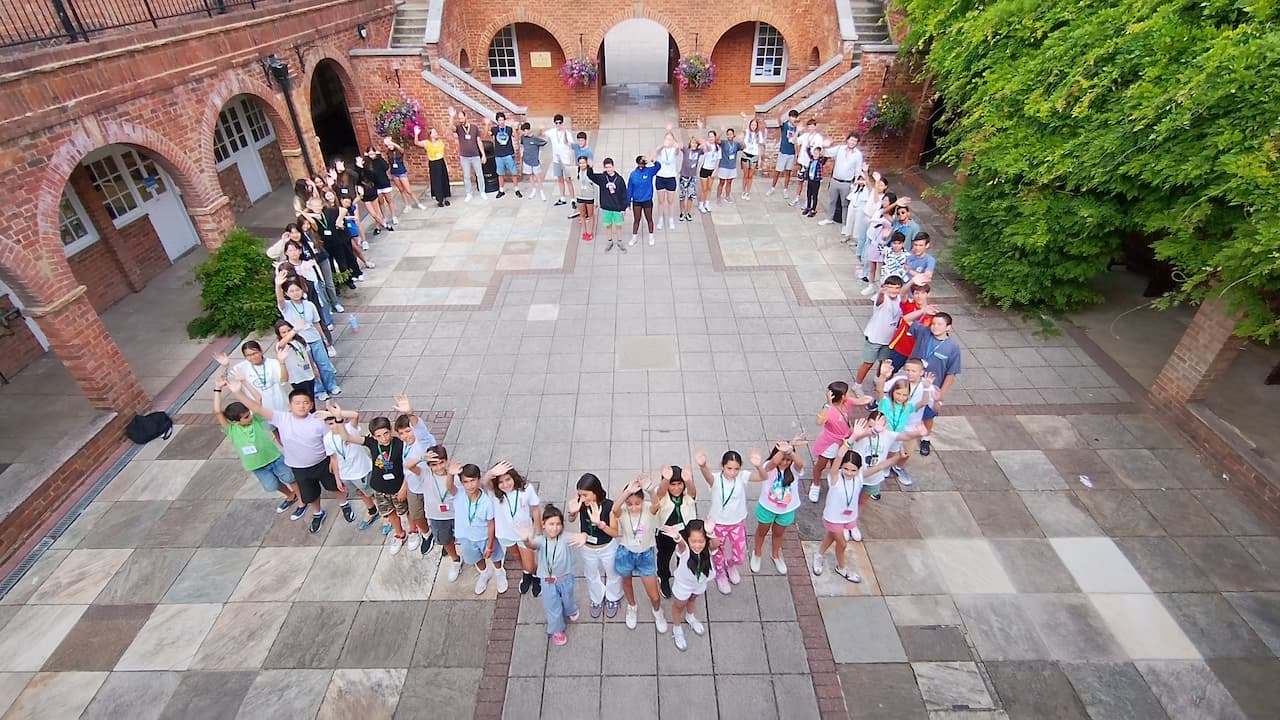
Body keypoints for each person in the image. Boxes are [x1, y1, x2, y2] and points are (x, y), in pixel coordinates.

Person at [226, 378, 338, 533]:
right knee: (310, 494)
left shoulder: (318, 421)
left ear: (311, 405)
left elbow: (333, 439)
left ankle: (344, 504)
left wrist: (333, 458)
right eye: (297, 403)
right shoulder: (281, 418)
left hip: (321, 462)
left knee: (335, 486)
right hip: (299, 467)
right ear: (289, 406)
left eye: (305, 403)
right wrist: (238, 393)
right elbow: (256, 408)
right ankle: (318, 514)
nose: (302, 406)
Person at [212, 375, 297, 513]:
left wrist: (243, 384)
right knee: (272, 485)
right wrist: (217, 389)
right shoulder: (231, 430)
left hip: (273, 458)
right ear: (235, 421)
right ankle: (290, 495)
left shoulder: (256, 420)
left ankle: (300, 498)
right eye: (246, 417)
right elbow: (217, 412)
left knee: (290, 477)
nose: (249, 417)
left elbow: (257, 400)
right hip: (256, 465)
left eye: (249, 414)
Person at [812, 449, 896, 579]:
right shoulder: (835, 477)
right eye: (846, 468)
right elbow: (839, 457)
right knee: (842, 544)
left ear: (859, 469)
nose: (849, 473)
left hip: (848, 517)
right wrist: (851, 440)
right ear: (841, 466)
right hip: (833, 518)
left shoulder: (860, 476)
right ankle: (841, 568)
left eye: (853, 470)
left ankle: (819, 554)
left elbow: (880, 466)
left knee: (831, 536)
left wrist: (898, 457)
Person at [694, 448, 762, 595]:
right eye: (729, 468)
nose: (732, 472)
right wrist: (703, 465)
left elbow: (763, 477)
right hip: (718, 523)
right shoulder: (716, 479)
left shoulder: (742, 476)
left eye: (736, 469)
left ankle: (730, 565)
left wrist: (758, 466)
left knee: (739, 556)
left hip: (737, 523)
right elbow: (707, 477)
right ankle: (720, 574)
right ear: (722, 466)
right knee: (718, 552)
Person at [609, 475, 668, 633]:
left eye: (637, 503)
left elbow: (656, 505)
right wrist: (627, 491)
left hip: (645, 556)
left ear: (642, 501)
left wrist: (649, 490)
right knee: (627, 583)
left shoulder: (648, 508)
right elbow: (614, 508)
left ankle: (658, 612)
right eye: (629, 504)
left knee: (654, 595)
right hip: (626, 553)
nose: (633, 507)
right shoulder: (622, 510)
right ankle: (632, 606)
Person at [519, 505, 583, 647]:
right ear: (543, 525)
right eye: (551, 524)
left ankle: (571, 609)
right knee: (552, 606)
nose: (555, 528)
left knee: (568, 598)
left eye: (558, 524)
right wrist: (525, 539)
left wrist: (583, 536)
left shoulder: (565, 537)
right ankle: (557, 630)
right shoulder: (541, 540)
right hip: (548, 581)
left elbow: (579, 537)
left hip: (565, 577)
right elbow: (532, 545)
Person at [275, 270, 341, 397]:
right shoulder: (286, 306)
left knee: (324, 364)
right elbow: (280, 300)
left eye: (297, 290)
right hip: (299, 342)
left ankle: (331, 385)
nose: (295, 293)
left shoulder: (309, 305)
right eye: (292, 291)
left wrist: (324, 339)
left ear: (302, 290)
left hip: (315, 338)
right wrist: (278, 285)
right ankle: (319, 390)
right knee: (309, 367)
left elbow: (316, 323)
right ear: (287, 294)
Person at [566, 473, 624, 618]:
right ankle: (596, 598)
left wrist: (599, 524)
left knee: (613, 574)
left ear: (595, 491)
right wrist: (572, 512)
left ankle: (612, 597)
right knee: (591, 575)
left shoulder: (609, 506)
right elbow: (571, 519)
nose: (583, 498)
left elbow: (615, 533)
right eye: (580, 495)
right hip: (587, 548)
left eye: (585, 495)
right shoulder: (582, 505)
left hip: (607, 548)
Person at [905, 311, 962, 457]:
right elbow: (906, 319)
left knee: (928, 415)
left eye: (940, 324)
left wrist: (941, 395)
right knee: (906, 407)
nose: (935, 327)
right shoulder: (924, 332)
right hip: (912, 381)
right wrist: (923, 310)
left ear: (948, 327)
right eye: (933, 323)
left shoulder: (952, 347)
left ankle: (925, 438)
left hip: (932, 387)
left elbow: (951, 373)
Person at [809, 381, 874, 502]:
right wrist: (828, 404)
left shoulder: (847, 402)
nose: (848, 394)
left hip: (843, 441)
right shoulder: (828, 409)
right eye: (846, 392)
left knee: (838, 464)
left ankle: (834, 481)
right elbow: (819, 422)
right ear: (842, 395)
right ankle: (815, 484)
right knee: (821, 465)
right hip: (830, 443)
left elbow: (861, 401)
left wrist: (870, 399)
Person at [661, 519, 718, 652]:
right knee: (679, 606)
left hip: (700, 583)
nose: (697, 545)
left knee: (693, 599)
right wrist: (677, 537)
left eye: (701, 541)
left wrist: (711, 533)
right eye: (693, 541)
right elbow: (681, 544)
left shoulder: (707, 549)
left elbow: (716, 544)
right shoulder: (685, 549)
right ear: (688, 539)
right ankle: (677, 627)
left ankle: (690, 616)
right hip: (683, 585)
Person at [750, 441, 806, 574]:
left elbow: (801, 464)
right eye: (782, 459)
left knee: (778, 533)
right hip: (767, 507)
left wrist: (790, 451)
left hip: (786, 510)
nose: (784, 462)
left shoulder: (794, 470)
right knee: (762, 531)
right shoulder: (768, 467)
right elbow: (773, 463)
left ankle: (775, 554)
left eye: (788, 460)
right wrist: (783, 450)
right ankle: (757, 553)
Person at [488, 460, 542, 595]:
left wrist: (539, 531)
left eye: (508, 479)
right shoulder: (494, 493)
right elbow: (483, 482)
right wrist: (491, 473)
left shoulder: (526, 489)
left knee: (530, 563)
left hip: (525, 534)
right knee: (518, 558)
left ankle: (536, 575)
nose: (505, 485)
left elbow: (535, 509)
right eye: (500, 482)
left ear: (514, 477)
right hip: (504, 534)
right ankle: (526, 574)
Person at [322, 408, 376, 525]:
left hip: (362, 470)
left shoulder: (350, 428)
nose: (334, 426)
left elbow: (355, 415)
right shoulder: (327, 439)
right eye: (330, 423)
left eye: (336, 421)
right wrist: (337, 478)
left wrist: (336, 414)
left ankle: (386, 515)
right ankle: (372, 510)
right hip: (346, 474)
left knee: (373, 492)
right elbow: (334, 459)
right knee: (360, 492)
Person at [650, 465, 696, 599]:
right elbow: (659, 494)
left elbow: (693, 493)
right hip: (665, 533)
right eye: (672, 484)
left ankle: (680, 576)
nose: (676, 488)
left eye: (679, 484)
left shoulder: (686, 494)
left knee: (682, 556)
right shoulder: (662, 494)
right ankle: (663, 577)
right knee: (664, 556)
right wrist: (666, 479)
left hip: (683, 532)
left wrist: (688, 480)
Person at [452, 463, 498, 594]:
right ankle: (484, 573)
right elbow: (449, 487)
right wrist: (450, 474)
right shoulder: (459, 495)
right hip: (466, 537)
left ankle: (500, 572)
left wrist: (489, 545)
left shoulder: (486, 501)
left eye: (473, 480)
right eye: (466, 482)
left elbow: (491, 524)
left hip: (483, 536)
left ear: (478, 479)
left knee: (495, 556)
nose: (470, 485)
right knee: (476, 559)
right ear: (461, 483)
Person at [215, 341, 289, 420]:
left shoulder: (273, 363)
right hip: (260, 409)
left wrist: (282, 362)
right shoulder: (241, 367)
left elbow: (284, 380)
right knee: (271, 430)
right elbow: (222, 381)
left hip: (280, 405)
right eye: (248, 355)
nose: (252, 357)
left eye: (255, 353)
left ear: (261, 351)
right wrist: (225, 366)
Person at [421, 446, 463, 578]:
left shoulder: (455, 476)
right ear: (428, 465)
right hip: (437, 516)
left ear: (447, 461)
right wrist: (421, 457)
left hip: (456, 514)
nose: (439, 467)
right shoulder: (425, 473)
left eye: (441, 463)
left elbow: (453, 490)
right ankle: (456, 560)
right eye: (434, 464)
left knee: (465, 538)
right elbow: (409, 466)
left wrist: (451, 474)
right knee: (445, 540)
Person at [855, 276, 905, 386]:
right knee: (868, 363)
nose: (894, 291)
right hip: (874, 337)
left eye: (897, 288)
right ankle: (857, 385)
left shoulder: (900, 300)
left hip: (889, 339)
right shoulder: (881, 297)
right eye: (890, 288)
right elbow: (879, 301)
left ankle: (878, 379)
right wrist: (881, 293)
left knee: (884, 362)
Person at [819, 133, 864, 227]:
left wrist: (855, 184)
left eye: (855, 141)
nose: (852, 142)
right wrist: (823, 145)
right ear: (847, 140)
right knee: (832, 201)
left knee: (845, 204)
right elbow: (825, 153)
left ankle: (845, 224)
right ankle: (829, 218)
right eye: (851, 140)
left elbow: (858, 170)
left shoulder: (858, 155)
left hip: (846, 183)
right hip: (835, 180)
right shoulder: (840, 149)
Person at [887, 283, 933, 372]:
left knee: (913, 376)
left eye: (923, 293)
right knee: (889, 371)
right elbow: (902, 294)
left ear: (928, 294)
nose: (919, 296)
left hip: (918, 351)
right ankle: (880, 382)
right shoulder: (909, 305)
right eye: (916, 293)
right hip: (901, 347)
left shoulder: (932, 313)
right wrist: (912, 281)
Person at [587, 158, 629, 253]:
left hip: (617, 208)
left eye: (610, 167)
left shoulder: (619, 179)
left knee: (618, 225)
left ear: (613, 166)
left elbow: (624, 194)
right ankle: (610, 241)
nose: (608, 169)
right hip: (606, 207)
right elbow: (591, 176)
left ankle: (619, 241)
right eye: (606, 167)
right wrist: (590, 167)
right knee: (608, 225)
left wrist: (623, 208)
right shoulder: (602, 178)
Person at [447, 106, 486, 201]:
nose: (460, 120)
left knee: (480, 174)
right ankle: (469, 193)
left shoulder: (474, 128)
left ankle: (482, 192)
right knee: (466, 176)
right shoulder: (458, 128)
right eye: (459, 118)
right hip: (464, 156)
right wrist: (451, 116)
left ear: (466, 117)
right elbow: (450, 127)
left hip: (475, 155)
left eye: (462, 118)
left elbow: (479, 141)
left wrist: (483, 154)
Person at [274, 320, 318, 400]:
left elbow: (308, 355)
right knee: (304, 399)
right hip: (297, 378)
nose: (287, 333)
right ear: (279, 334)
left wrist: (314, 369)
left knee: (311, 398)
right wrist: (295, 330)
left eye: (289, 330)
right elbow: (281, 344)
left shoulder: (299, 340)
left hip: (308, 373)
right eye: (284, 332)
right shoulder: (281, 345)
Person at [413, 125, 452, 207]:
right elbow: (416, 143)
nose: (436, 133)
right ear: (430, 135)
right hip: (433, 163)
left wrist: (447, 165)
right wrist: (416, 134)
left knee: (443, 180)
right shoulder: (427, 143)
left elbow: (444, 154)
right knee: (436, 181)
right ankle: (439, 199)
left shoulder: (440, 142)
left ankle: (445, 198)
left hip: (441, 162)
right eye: (434, 132)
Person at [383, 136, 425, 211]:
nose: (390, 147)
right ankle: (407, 205)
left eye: (391, 145)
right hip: (394, 173)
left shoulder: (399, 151)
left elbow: (401, 150)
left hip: (401, 171)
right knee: (401, 190)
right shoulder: (388, 153)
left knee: (408, 190)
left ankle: (418, 203)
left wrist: (392, 143)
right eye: (388, 146)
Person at [627, 154, 660, 247]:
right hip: (637, 201)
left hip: (647, 200)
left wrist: (653, 160)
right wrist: (628, 201)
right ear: (637, 163)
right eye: (639, 164)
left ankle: (651, 236)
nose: (641, 166)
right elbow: (630, 188)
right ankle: (634, 237)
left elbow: (658, 166)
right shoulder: (633, 174)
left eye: (643, 164)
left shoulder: (649, 171)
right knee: (636, 219)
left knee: (649, 219)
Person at [653, 127, 681, 231]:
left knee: (671, 201)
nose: (668, 141)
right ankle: (660, 219)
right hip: (660, 177)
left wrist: (674, 141)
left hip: (671, 178)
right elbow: (657, 151)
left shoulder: (674, 150)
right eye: (667, 139)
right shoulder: (661, 149)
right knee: (661, 201)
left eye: (670, 139)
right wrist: (663, 145)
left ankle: (671, 219)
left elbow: (678, 148)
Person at [768, 109, 800, 198]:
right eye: (791, 117)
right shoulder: (785, 126)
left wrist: (797, 154)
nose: (793, 119)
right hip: (783, 152)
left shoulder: (797, 128)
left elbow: (797, 141)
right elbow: (780, 121)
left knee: (788, 172)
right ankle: (772, 187)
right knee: (778, 171)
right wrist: (781, 113)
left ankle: (785, 189)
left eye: (794, 117)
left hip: (791, 153)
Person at [545, 115, 576, 205]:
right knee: (560, 179)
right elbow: (543, 133)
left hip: (565, 160)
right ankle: (562, 197)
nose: (558, 124)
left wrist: (571, 160)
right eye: (556, 123)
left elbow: (571, 145)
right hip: (556, 159)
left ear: (562, 123)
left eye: (560, 123)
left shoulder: (567, 133)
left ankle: (573, 198)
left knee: (568, 180)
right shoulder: (552, 132)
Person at [490, 112, 521, 198]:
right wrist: (486, 125)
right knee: (500, 174)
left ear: (504, 120)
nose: (501, 122)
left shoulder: (509, 129)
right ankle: (501, 190)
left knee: (514, 173)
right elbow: (486, 135)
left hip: (509, 154)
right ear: (497, 121)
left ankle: (516, 189)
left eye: (502, 120)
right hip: (499, 155)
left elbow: (516, 137)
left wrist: (514, 128)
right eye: (499, 120)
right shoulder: (494, 129)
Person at [677, 134, 704, 222]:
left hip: (692, 177)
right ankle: (682, 212)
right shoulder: (686, 150)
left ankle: (688, 212)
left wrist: (699, 136)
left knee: (691, 196)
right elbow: (678, 144)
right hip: (684, 176)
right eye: (692, 143)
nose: (694, 145)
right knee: (682, 196)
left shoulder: (699, 151)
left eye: (695, 143)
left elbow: (706, 146)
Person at [517, 122, 548, 201]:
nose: (524, 132)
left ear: (529, 130)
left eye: (525, 131)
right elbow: (522, 145)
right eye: (523, 131)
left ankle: (541, 191)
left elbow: (544, 142)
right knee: (530, 176)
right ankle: (533, 189)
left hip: (535, 160)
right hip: (526, 160)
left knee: (537, 176)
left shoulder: (535, 138)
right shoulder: (523, 138)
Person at [739, 114, 765, 199]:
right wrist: (744, 120)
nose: (753, 126)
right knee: (745, 175)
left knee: (750, 175)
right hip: (746, 154)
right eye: (752, 124)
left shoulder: (759, 134)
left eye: (755, 125)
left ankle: (748, 192)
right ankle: (743, 190)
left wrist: (760, 159)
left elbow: (760, 147)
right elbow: (742, 133)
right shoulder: (747, 132)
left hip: (754, 155)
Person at [802, 136, 828, 218]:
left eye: (818, 153)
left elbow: (826, 156)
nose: (816, 155)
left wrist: (824, 147)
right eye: (815, 153)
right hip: (810, 179)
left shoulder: (820, 161)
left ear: (820, 154)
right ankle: (808, 207)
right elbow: (807, 150)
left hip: (816, 180)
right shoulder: (811, 159)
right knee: (808, 194)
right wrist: (810, 145)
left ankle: (813, 209)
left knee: (815, 195)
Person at [573, 156, 599, 242]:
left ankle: (590, 232)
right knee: (582, 215)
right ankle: (584, 232)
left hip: (589, 197)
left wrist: (596, 201)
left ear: (587, 163)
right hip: (580, 197)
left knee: (591, 215)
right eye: (580, 163)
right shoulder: (578, 172)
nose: (582, 165)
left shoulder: (590, 172)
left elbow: (595, 187)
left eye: (583, 163)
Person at [696, 127, 720, 214]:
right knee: (704, 188)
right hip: (704, 169)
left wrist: (715, 170)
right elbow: (699, 140)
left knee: (709, 188)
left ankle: (707, 203)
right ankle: (701, 204)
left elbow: (718, 160)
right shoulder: (706, 145)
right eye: (709, 136)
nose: (711, 138)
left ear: (715, 137)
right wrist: (700, 128)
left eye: (712, 136)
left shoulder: (718, 147)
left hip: (712, 170)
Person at [715, 128, 742, 203]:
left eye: (731, 134)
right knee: (722, 182)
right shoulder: (724, 143)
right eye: (728, 134)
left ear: (734, 135)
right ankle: (718, 197)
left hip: (732, 166)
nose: (730, 135)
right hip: (724, 165)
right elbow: (716, 141)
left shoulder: (736, 144)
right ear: (727, 135)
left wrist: (742, 139)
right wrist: (721, 131)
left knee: (729, 182)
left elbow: (743, 147)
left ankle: (727, 196)